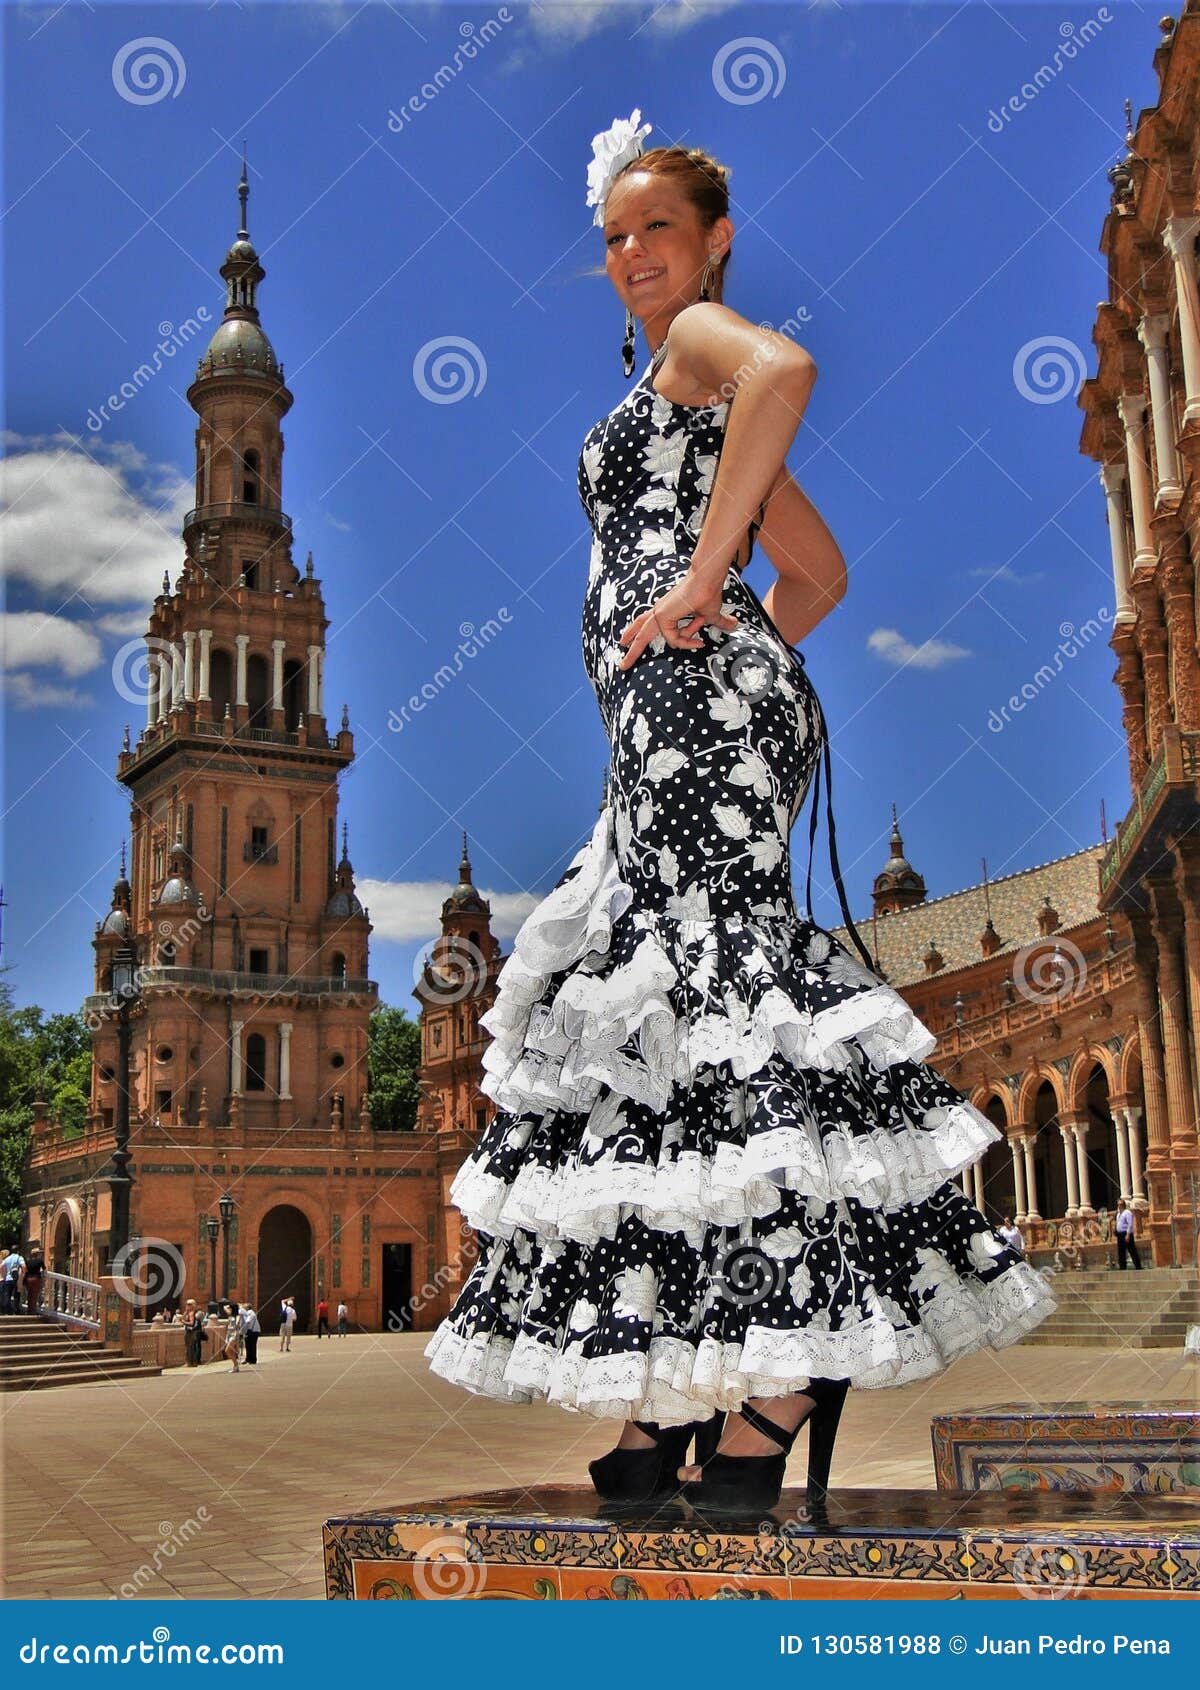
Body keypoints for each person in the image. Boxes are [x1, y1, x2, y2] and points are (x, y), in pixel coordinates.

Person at [422, 110, 1058, 1517]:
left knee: (707, 990)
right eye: (613, 239)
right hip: (686, 718)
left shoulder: (711, 342)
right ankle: (713, 1379)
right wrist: (742, 631)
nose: (634, 255)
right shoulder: (684, 396)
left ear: (712, 241)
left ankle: (758, 1390)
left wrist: (703, 593)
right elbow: (819, 571)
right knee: (669, 1000)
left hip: (694, 712)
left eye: (659, 229)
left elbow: (792, 365)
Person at [1115, 1198, 1142, 1270]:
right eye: (1118, 1205)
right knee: (1121, 1252)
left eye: (1120, 1204)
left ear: (1123, 1205)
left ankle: (1138, 1266)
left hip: (1126, 1234)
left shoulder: (1127, 1213)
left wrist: (1128, 1234)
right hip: (1120, 1235)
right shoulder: (1118, 1214)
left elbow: (1130, 1224)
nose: (1119, 1206)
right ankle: (1122, 1267)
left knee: (1132, 1250)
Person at [221, 1300, 245, 1372]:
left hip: (234, 1334)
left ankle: (236, 1364)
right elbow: (224, 1307)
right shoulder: (230, 1314)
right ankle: (236, 1366)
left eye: (231, 1308)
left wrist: (239, 1306)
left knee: (227, 1350)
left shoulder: (238, 1315)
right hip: (229, 1334)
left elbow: (238, 1321)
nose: (229, 1309)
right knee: (230, 1351)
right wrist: (231, 1305)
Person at [182, 1299, 207, 1367]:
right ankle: (191, 1362)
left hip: (193, 1332)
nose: (187, 1306)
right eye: (187, 1304)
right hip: (190, 1331)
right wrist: (185, 1312)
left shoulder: (194, 1313)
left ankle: (192, 1362)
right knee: (190, 1347)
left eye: (189, 1304)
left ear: (193, 1305)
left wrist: (183, 1322)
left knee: (192, 1347)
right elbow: (182, 1318)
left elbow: (191, 1323)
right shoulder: (189, 1313)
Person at [1, 1245, 25, 1316]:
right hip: (16, 1279)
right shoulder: (19, 1257)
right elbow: (23, 1266)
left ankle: (8, 1311)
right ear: (18, 1251)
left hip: (8, 1279)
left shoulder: (7, 1258)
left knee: (7, 1295)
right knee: (16, 1295)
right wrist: (23, 1274)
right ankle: (15, 1310)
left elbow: (2, 1266)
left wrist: (5, 1275)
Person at [22, 1243, 44, 1317]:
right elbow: (44, 1269)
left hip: (28, 1279)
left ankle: (29, 1310)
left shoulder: (28, 1261)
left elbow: (26, 1270)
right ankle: (32, 1311)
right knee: (34, 1295)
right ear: (37, 1254)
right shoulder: (40, 1261)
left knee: (29, 1295)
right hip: (35, 1278)